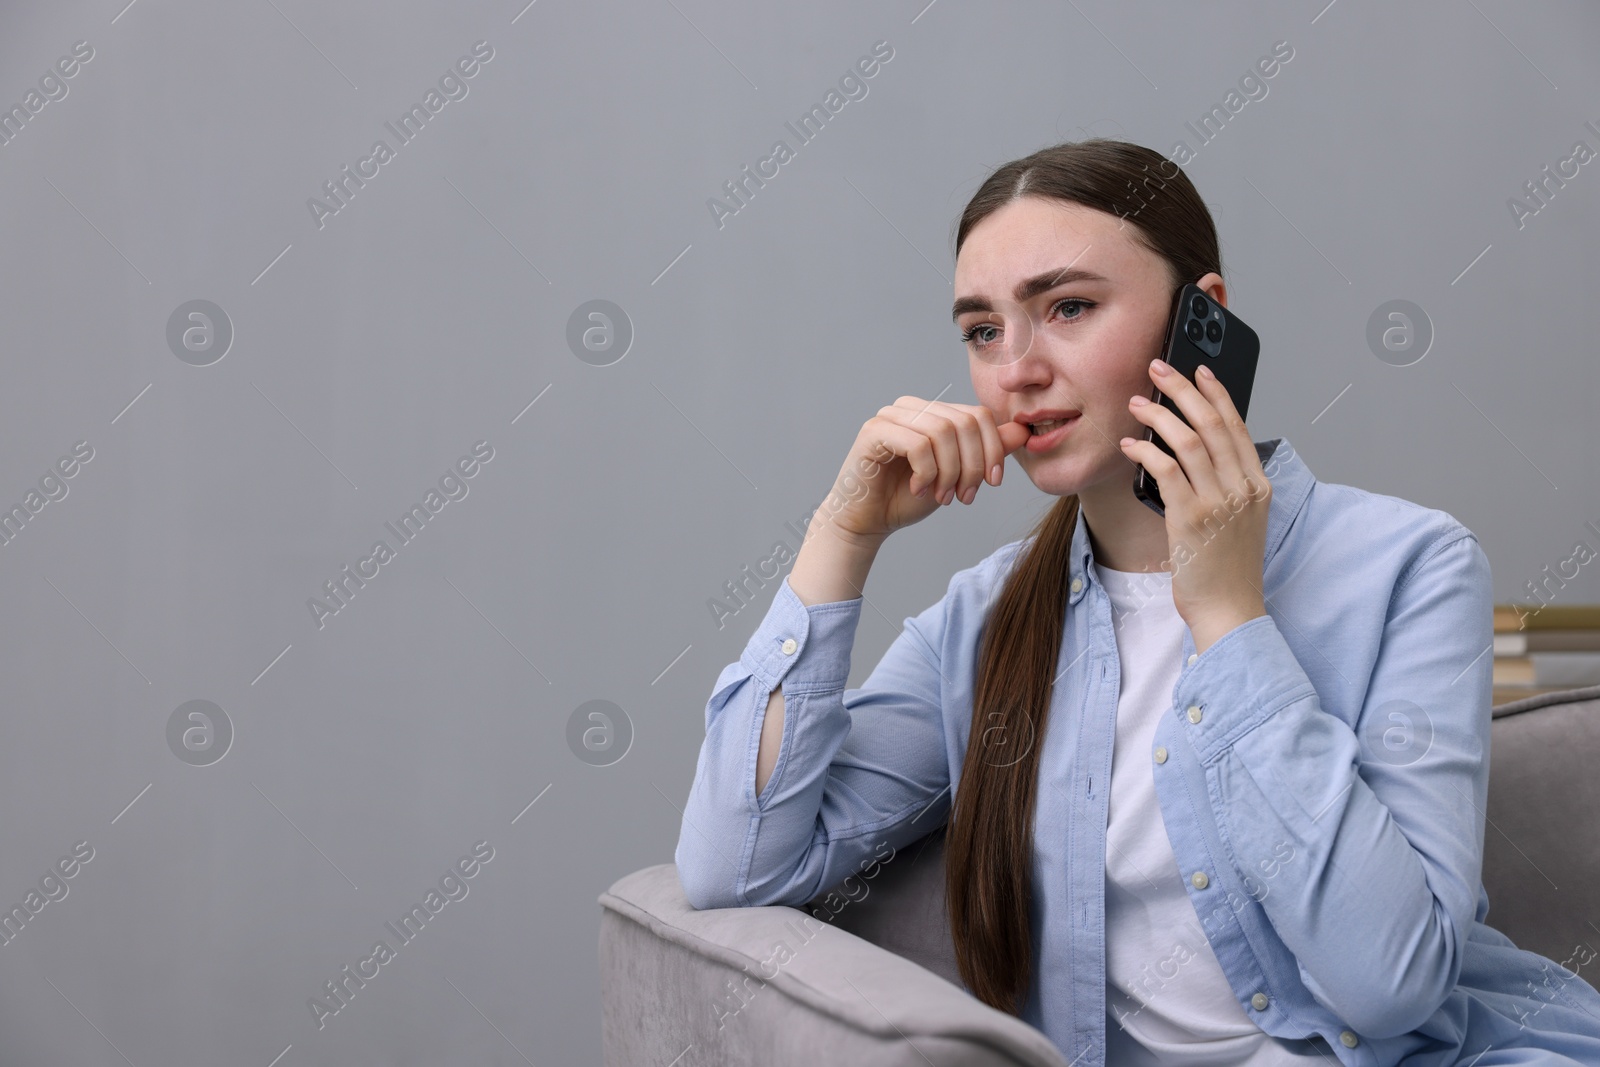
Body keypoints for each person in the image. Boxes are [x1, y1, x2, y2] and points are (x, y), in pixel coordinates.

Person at [673, 138, 1600, 1065]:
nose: (1016, 369)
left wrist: (1231, 618)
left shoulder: (1413, 565)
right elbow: (735, 864)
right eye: (983, 330)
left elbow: (1391, 983)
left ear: (1203, 318)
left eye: (1067, 307)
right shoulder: (985, 618)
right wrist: (842, 536)